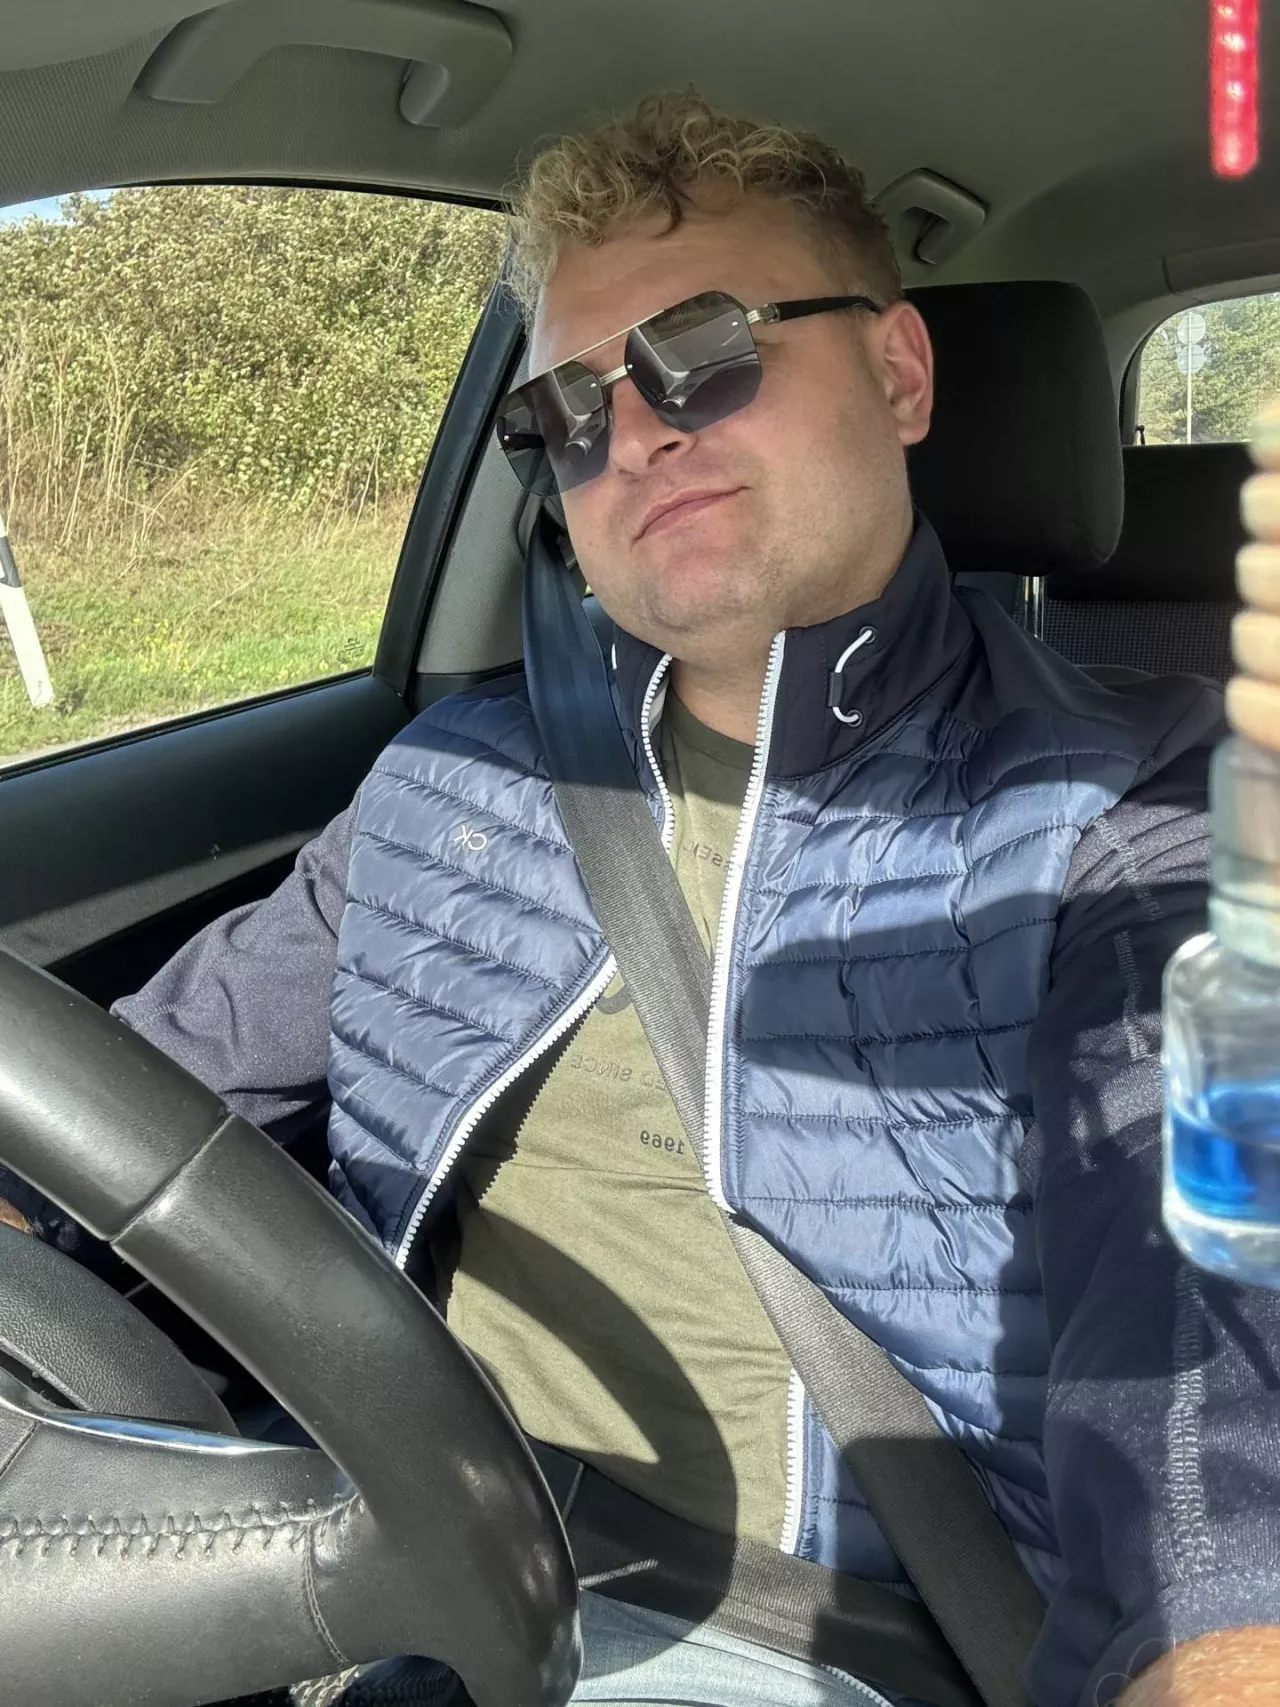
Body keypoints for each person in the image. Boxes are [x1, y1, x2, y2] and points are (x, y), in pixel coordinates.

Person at [5, 92, 1280, 1707]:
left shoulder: (1141, 804)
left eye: (703, 350)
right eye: (568, 411)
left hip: (806, 1642)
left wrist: (1214, 1647)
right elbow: (122, 1113)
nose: (636, 432)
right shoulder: (452, 778)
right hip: (377, 1567)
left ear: (899, 372)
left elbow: (1211, 1355)